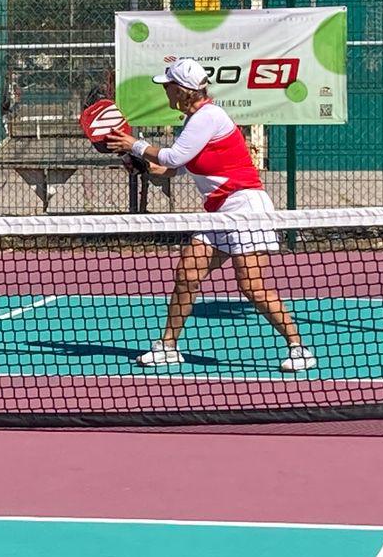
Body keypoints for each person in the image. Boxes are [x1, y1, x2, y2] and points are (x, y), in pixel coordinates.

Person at [103, 58, 316, 372]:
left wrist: (135, 145)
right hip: (219, 212)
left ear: (182, 90)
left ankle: (299, 348)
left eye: (168, 86)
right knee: (187, 274)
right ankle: (167, 347)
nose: (165, 92)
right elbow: (169, 169)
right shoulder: (193, 122)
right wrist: (140, 164)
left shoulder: (209, 116)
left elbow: (174, 155)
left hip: (245, 208)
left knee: (251, 286)